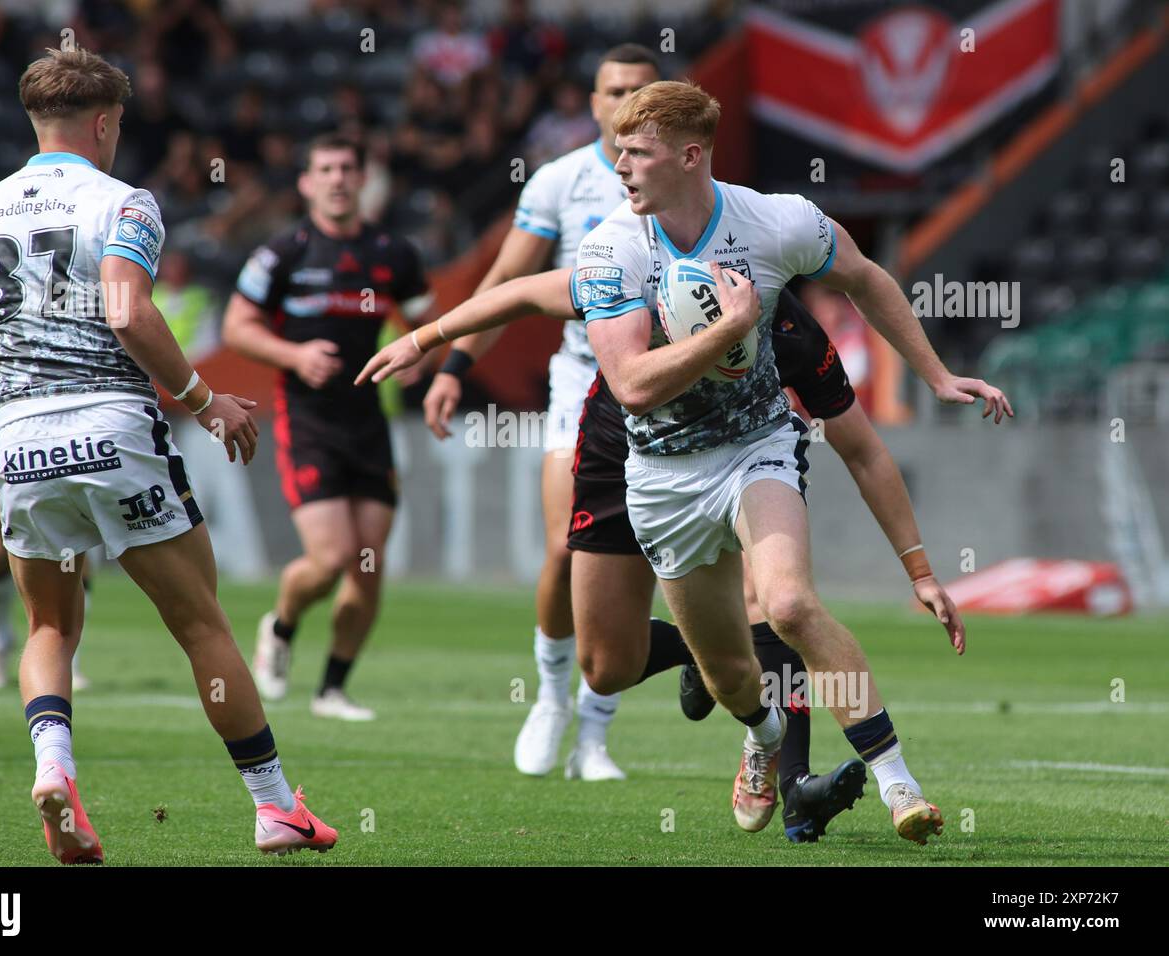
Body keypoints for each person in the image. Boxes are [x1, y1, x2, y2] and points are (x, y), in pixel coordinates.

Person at [359, 267, 991, 841]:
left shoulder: (786, 320)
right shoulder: (629, 271)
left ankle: (879, 782)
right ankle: (724, 677)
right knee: (608, 666)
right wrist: (424, 340)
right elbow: (522, 291)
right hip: (627, 456)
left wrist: (921, 570)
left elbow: (864, 448)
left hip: (745, 452)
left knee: (783, 603)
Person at [0, 48, 336, 862]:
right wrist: (208, 404)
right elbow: (125, 310)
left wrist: (3, 416)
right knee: (201, 624)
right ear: (106, 122)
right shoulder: (125, 203)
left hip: (26, 444)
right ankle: (276, 807)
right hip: (114, 429)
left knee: (49, 626)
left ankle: (55, 771)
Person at [422, 43, 660, 781]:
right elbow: (506, 280)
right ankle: (552, 695)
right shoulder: (560, 181)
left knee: (641, 558)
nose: (625, 103)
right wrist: (456, 365)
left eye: (642, 92)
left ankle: (595, 733)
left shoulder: (689, 178)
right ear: (590, 103)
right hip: (583, 384)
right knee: (567, 547)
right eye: (613, 90)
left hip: (664, 391)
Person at [222, 133, 435, 720]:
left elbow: (426, 323)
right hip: (308, 419)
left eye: (348, 168)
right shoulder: (284, 252)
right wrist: (295, 357)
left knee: (368, 563)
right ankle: (282, 623)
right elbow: (237, 327)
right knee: (333, 556)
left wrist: (423, 360)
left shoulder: (394, 253)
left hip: (369, 421)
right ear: (307, 183)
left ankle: (332, 689)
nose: (338, 178)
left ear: (363, 178)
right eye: (326, 169)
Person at [0, 321, 92, 693]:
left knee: (76, 540)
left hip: (71, 417)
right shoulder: (1, 265)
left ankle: (68, 652)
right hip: (8, 418)